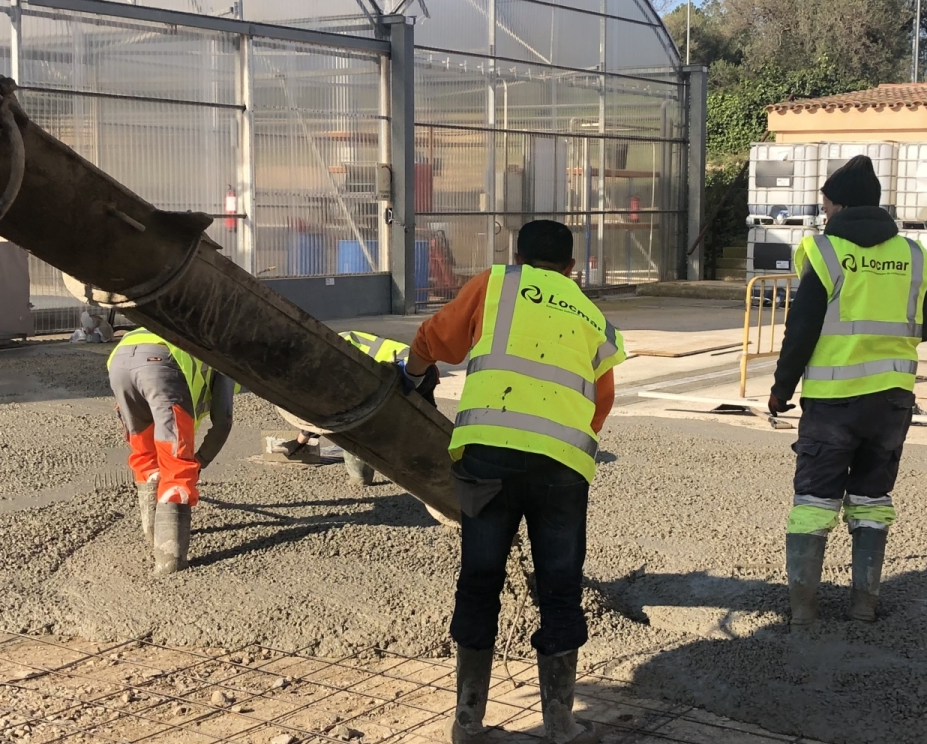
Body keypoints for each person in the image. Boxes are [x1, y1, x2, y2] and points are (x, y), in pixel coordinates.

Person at [407, 220, 625, 744]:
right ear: (571, 269)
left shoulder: (497, 283)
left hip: (488, 459)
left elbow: (433, 339)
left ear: (519, 256)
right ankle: (561, 724)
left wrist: (415, 378)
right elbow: (603, 400)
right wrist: (565, 443)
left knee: (479, 581)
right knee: (560, 586)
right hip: (560, 469)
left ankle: (468, 721)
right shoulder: (594, 314)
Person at [768, 156, 927, 625]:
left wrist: (781, 389)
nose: (823, 215)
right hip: (892, 402)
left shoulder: (824, 252)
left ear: (839, 205)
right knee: (871, 499)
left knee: (814, 502)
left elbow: (800, 329)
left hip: (833, 402)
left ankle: (803, 610)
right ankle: (864, 605)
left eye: (825, 207)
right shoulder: (914, 255)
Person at [107, 326, 235, 575]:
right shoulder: (223, 356)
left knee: (144, 455)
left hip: (119, 362)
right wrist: (199, 462)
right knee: (177, 470)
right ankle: (170, 564)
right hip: (162, 365)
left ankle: (151, 535)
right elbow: (224, 422)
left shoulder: (179, 325)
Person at [274, 331, 438, 485]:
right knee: (429, 422)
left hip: (402, 373)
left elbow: (329, 409)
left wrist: (299, 441)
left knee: (356, 422)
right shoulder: (333, 340)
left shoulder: (330, 360)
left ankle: (361, 477)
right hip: (422, 367)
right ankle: (439, 460)